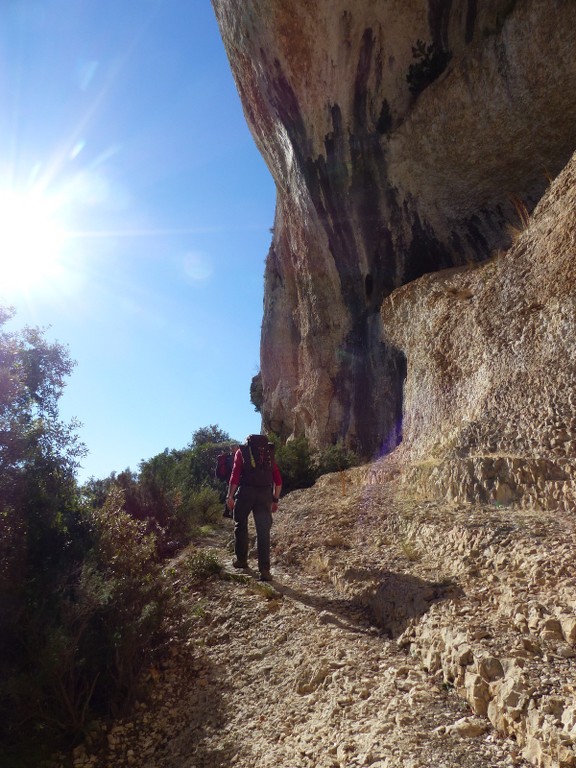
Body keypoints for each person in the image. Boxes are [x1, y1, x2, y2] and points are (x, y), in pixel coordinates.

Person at [226, 436, 282, 582]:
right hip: (265, 494)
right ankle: (264, 570)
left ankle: (241, 560)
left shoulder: (242, 451)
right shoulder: (269, 453)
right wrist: (275, 499)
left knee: (240, 524)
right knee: (263, 531)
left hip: (246, 493)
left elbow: (235, 475)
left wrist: (230, 496)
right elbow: (278, 479)